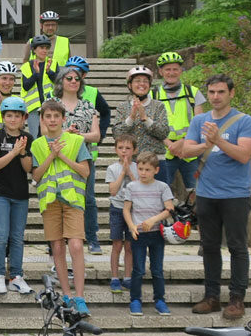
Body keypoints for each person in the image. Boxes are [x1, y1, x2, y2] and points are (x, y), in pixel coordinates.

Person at [179, 74, 251, 320]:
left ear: (231, 93)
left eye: (221, 92)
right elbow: (186, 150)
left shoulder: (245, 121)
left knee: (237, 247)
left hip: (235, 194)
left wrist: (218, 141)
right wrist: (206, 145)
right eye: (211, 92)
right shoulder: (199, 120)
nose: (215, 96)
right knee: (209, 246)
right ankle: (211, 296)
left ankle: (236, 299)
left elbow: (243, 155)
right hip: (206, 193)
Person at [30, 100, 94, 317]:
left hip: (73, 199)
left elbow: (85, 172)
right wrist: (51, 155)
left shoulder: (76, 140)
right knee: (57, 248)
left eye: (56, 116)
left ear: (63, 119)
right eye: (48, 116)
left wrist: (61, 155)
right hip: (50, 201)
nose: (52, 120)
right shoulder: (37, 144)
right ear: (42, 119)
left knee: (75, 246)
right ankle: (66, 295)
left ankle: (80, 296)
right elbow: (36, 176)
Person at [0, 96, 36, 295]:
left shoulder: (27, 138)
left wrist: (22, 153)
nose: (13, 119)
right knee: (0, 236)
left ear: (24, 118)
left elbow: (29, 168)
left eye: (17, 116)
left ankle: (16, 275)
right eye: (9, 115)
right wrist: (13, 152)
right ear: (4, 117)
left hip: (20, 193)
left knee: (16, 237)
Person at [50, 66, 104, 255]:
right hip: (58, 159)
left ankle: (92, 237)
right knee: (58, 198)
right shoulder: (52, 104)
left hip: (83, 159)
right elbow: (44, 132)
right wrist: (66, 133)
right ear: (61, 81)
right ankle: (58, 240)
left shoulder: (88, 106)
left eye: (77, 79)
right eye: (69, 78)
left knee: (88, 199)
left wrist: (78, 135)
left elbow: (96, 136)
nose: (73, 81)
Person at [116, 153, 174, 317]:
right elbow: (126, 209)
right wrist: (131, 226)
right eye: (140, 169)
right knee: (138, 269)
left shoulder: (162, 187)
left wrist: (153, 220)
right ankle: (135, 300)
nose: (143, 173)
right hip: (138, 234)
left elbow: (169, 209)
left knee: (157, 269)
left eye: (147, 170)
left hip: (156, 233)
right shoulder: (132, 187)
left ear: (156, 170)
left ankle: (160, 300)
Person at [153, 52, 206, 189]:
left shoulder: (193, 92)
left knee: (196, 191)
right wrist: (170, 145)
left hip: (190, 150)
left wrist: (182, 143)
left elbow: (200, 124)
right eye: (167, 69)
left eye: (175, 69)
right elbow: (151, 125)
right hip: (164, 151)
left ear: (181, 70)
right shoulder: (153, 95)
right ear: (160, 71)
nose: (171, 73)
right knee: (162, 191)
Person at [105, 135, 140, 294]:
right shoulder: (112, 168)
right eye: (120, 148)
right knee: (117, 244)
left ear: (134, 150)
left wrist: (130, 172)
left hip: (133, 211)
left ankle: (127, 277)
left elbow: (139, 189)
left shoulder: (139, 167)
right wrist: (122, 172)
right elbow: (112, 190)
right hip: (117, 209)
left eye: (128, 148)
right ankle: (114, 277)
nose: (124, 151)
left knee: (130, 246)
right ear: (115, 150)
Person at [116, 67, 170, 158]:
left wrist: (145, 118)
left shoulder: (158, 106)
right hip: (130, 160)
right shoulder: (123, 107)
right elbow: (117, 134)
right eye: (137, 81)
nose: (142, 84)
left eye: (145, 81)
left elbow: (164, 133)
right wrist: (131, 118)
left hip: (155, 160)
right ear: (130, 85)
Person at [21, 36, 57, 121]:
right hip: (33, 108)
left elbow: (59, 83)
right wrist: (36, 73)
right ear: (34, 49)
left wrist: (49, 71)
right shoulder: (27, 66)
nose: (44, 51)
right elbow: (26, 86)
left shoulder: (53, 63)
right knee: (35, 134)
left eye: (47, 48)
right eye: (41, 48)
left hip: (51, 106)